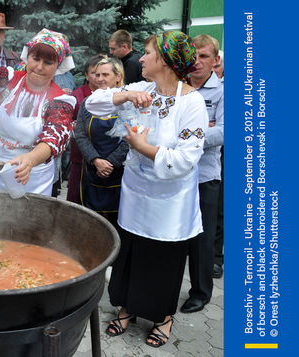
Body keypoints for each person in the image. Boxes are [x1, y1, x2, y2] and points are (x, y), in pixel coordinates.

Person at [86, 31, 207, 347]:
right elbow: (93, 102)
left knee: (161, 260)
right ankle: (126, 309)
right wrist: (124, 96)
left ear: (165, 60)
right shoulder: (141, 88)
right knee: (131, 254)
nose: (140, 58)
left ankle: (162, 317)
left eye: (148, 53)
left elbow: (185, 159)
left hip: (170, 204)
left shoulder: (191, 102)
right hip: (136, 195)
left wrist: (143, 147)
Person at [0, 28, 76, 196]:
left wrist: (30, 160)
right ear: (28, 57)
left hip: (32, 177)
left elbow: (54, 138)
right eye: (36, 58)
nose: (39, 67)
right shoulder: (9, 78)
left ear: (57, 66)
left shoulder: (61, 100)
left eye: (48, 63)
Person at [181, 34, 224, 314]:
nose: (197, 62)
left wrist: (185, 136)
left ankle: (200, 292)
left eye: (204, 56)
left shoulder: (224, 92)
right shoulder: (178, 88)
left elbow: (223, 132)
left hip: (204, 177)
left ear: (216, 60)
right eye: (193, 56)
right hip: (174, 175)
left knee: (202, 240)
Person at [76, 58, 127, 227]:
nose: (100, 79)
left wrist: (111, 162)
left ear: (118, 77)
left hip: (120, 173)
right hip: (92, 172)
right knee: (91, 224)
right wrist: (96, 160)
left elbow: (131, 137)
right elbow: (81, 135)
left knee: (117, 225)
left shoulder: (128, 103)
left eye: (105, 74)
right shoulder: (88, 103)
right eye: (97, 75)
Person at [67, 54, 106, 204]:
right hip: (81, 157)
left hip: (105, 157)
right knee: (77, 198)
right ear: (86, 75)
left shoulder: (113, 95)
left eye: (103, 74)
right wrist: (80, 126)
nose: (98, 78)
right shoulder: (77, 96)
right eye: (94, 74)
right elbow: (66, 123)